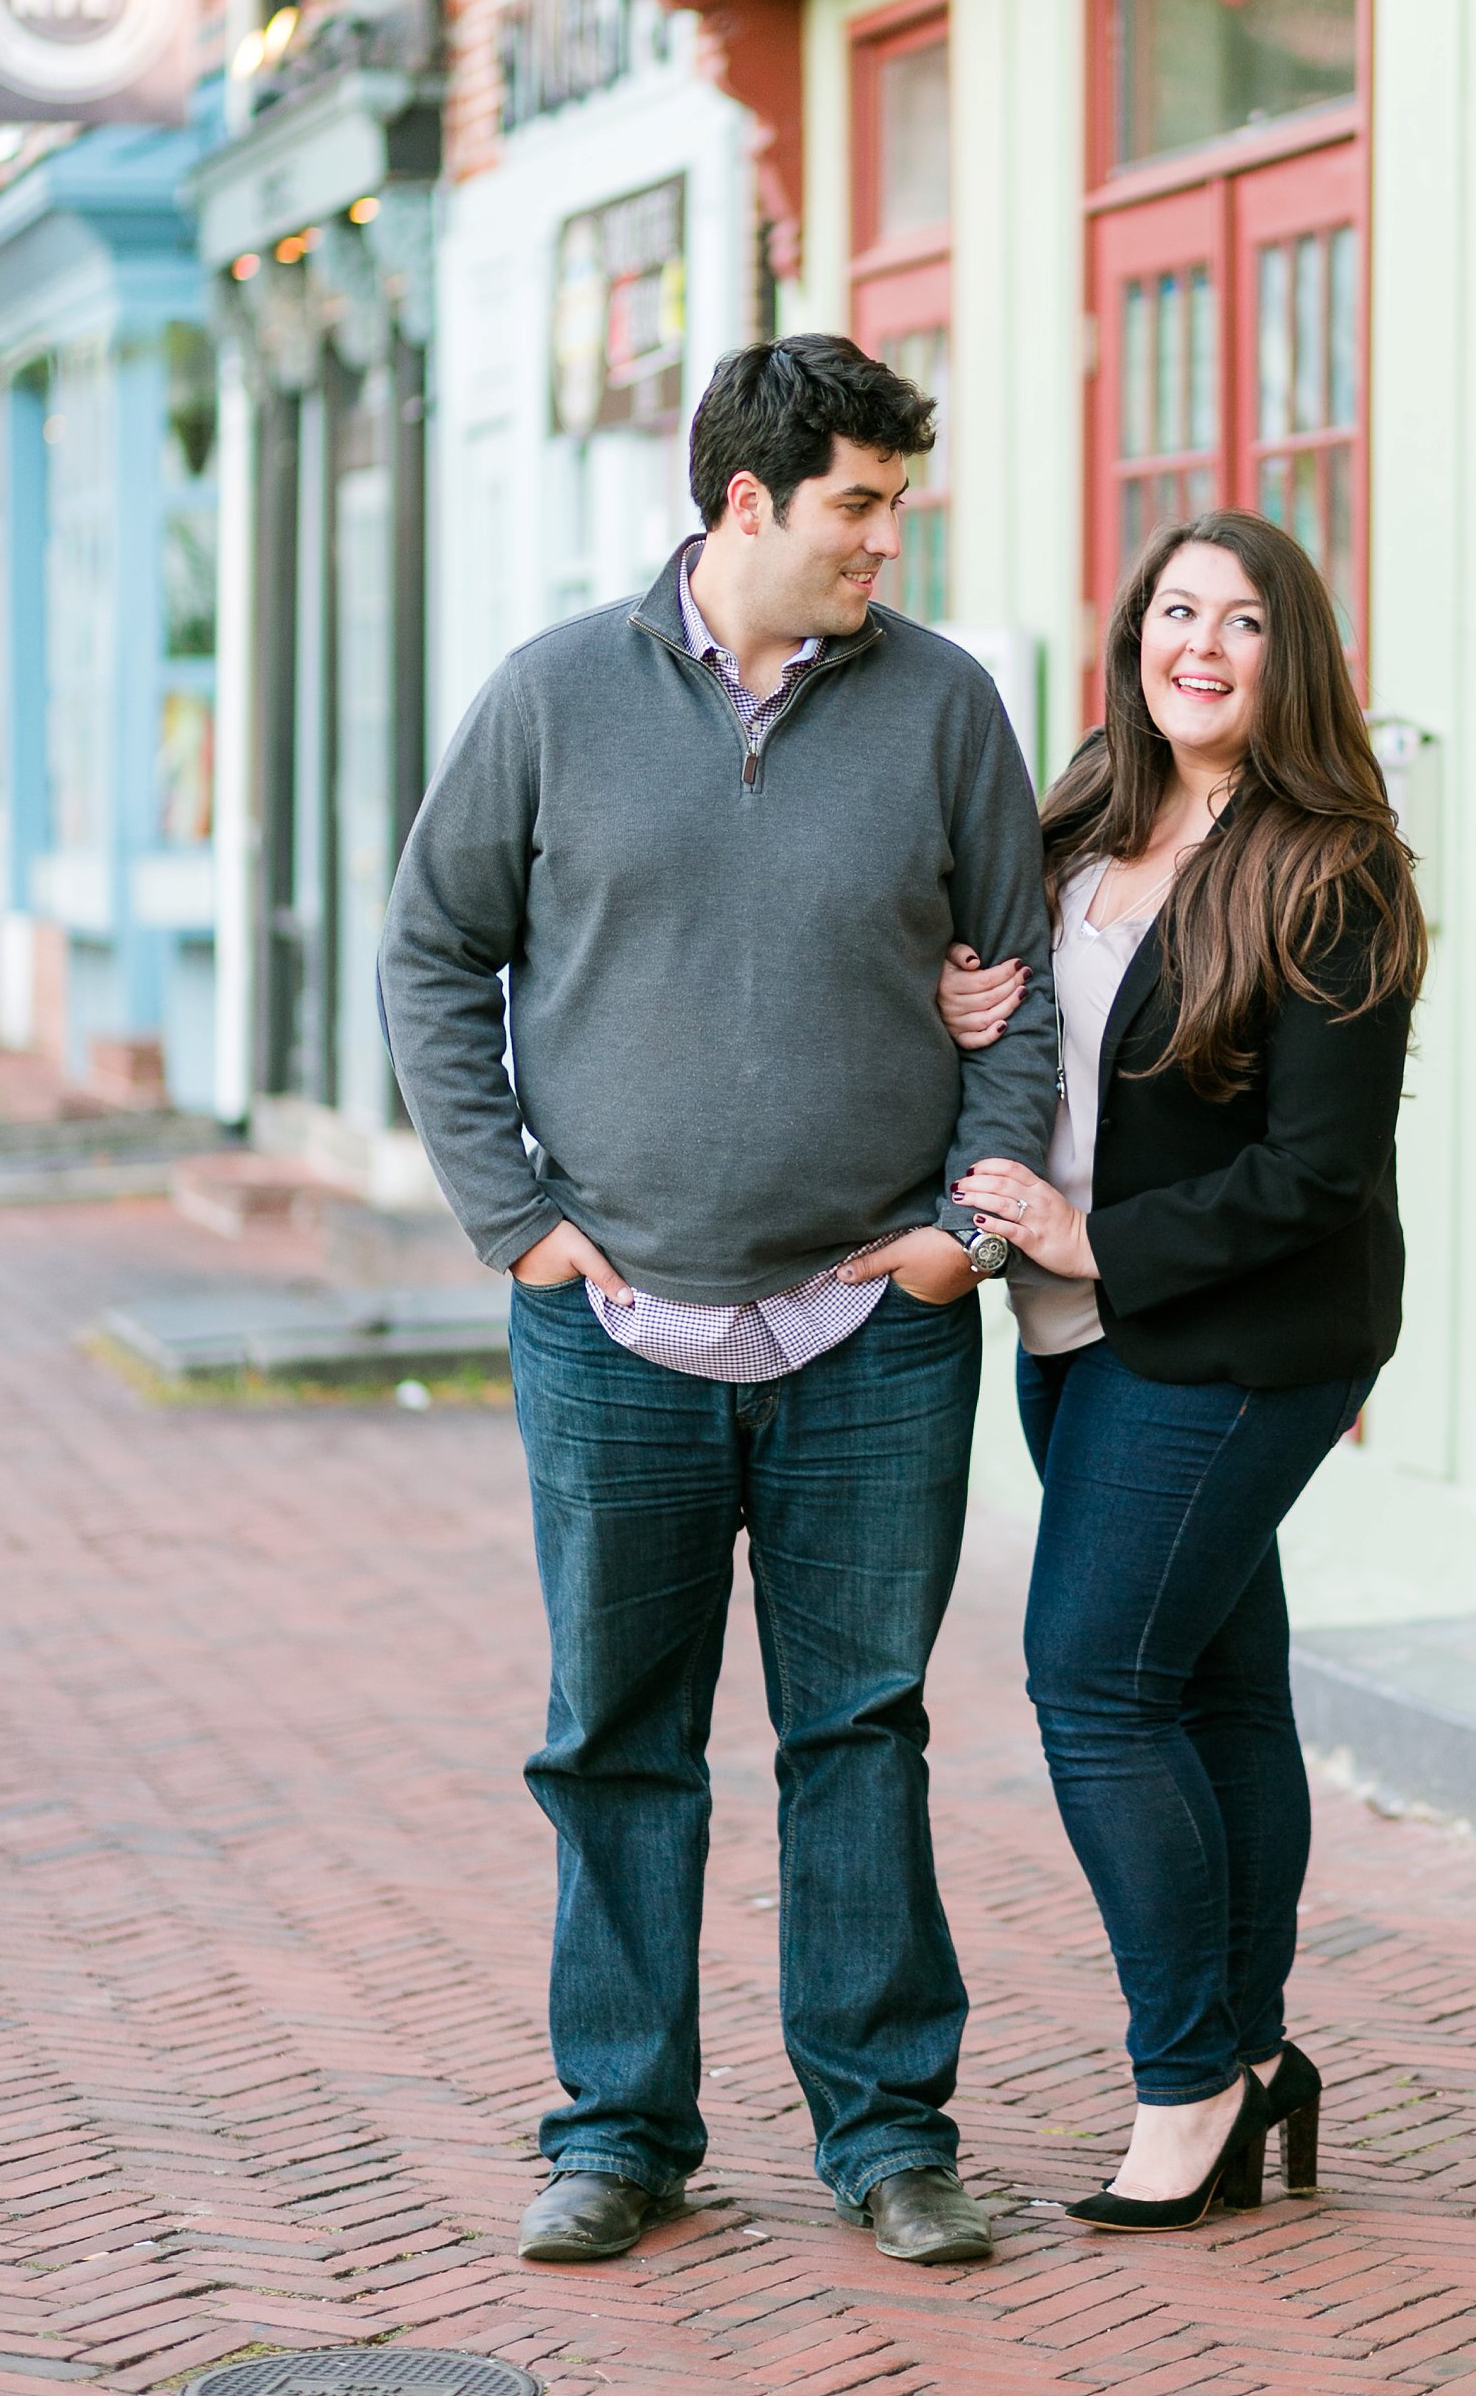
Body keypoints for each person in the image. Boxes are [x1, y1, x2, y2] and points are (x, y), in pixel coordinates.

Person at [378, 337, 1058, 2270]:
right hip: (615, 1331)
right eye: (860, 500)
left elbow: (1019, 995)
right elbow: (434, 957)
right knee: (617, 1735)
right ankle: (616, 2128)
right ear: (747, 501)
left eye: (898, 502)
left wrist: (964, 1240)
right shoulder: (552, 699)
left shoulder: (945, 710)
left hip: (878, 1329)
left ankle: (887, 2132)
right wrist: (513, 1222)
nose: (887, 536)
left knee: (863, 1727)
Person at [937, 510, 1424, 2233]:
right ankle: (1264, 2057)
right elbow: (1026, 1030)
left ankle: (1189, 2077)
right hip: (1077, 1339)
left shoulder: (1331, 863)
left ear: (1290, 658)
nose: (1199, 644)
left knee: (1092, 1683)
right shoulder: (1075, 812)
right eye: (1173, 610)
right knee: (1213, 1690)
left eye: (1241, 620)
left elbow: (1320, 1174)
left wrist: (1095, 1243)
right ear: (1135, 634)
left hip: (1235, 1339)